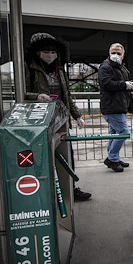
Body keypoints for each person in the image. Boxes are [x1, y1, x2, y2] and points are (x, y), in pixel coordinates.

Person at [24, 32, 91, 201]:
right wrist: (36, 96)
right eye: (45, 51)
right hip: (39, 119)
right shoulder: (29, 69)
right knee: (41, 155)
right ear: (37, 52)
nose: (50, 54)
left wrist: (76, 115)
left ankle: (69, 187)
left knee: (66, 153)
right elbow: (22, 93)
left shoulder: (59, 69)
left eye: (53, 51)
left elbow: (66, 94)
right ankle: (45, 191)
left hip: (60, 120)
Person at [99, 43, 133, 172]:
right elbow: (106, 84)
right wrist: (124, 84)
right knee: (123, 132)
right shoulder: (105, 67)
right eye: (113, 52)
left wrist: (131, 107)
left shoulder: (122, 69)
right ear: (109, 53)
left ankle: (114, 157)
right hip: (112, 107)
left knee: (114, 133)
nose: (115, 55)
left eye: (118, 53)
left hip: (119, 106)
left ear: (123, 55)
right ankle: (112, 159)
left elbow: (126, 91)